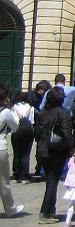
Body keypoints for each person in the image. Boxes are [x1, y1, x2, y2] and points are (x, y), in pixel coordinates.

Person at [34, 86, 73, 222]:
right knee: (52, 180)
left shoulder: (42, 113)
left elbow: (37, 133)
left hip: (43, 150)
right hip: (57, 150)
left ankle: (50, 210)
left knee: (50, 180)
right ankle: (46, 212)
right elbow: (68, 134)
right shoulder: (63, 113)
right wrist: (71, 149)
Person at [0, 85, 25, 218]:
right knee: (4, 181)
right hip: (0, 148)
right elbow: (15, 127)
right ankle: (10, 209)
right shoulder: (6, 112)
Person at [9, 91, 34, 184]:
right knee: (26, 154)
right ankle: (25, 175)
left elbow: (11, 121)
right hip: (28, 131)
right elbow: (32, 121)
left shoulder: (13, 107)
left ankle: (17, 174)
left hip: (16, 131)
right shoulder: (31, 107)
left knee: (17, 153)